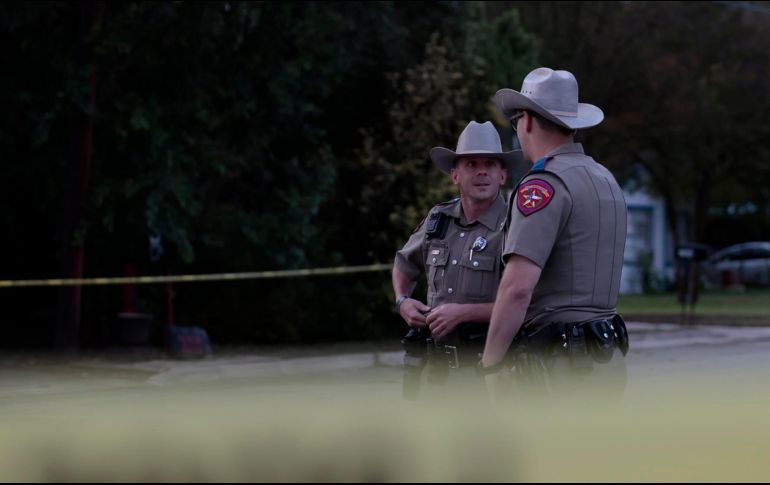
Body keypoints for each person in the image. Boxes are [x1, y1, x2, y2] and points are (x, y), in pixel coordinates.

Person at [477, 68, 629, 402]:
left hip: (560, 369)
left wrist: (491, 363)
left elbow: (517, 288)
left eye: (516, 119)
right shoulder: (605, 179)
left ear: (527, 120)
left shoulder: (543, 185)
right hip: (606, 361)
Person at [392, 121, 522, 399]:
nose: (482, 171)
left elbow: (527, 303)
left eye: (490, 163)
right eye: (471, 164)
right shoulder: (438, 219)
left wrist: (463, 313)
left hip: (489, 373)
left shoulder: (517, 225)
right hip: (434, 375)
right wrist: (402, 301)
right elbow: (403, 264)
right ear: (454, 175)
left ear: (502, 175)